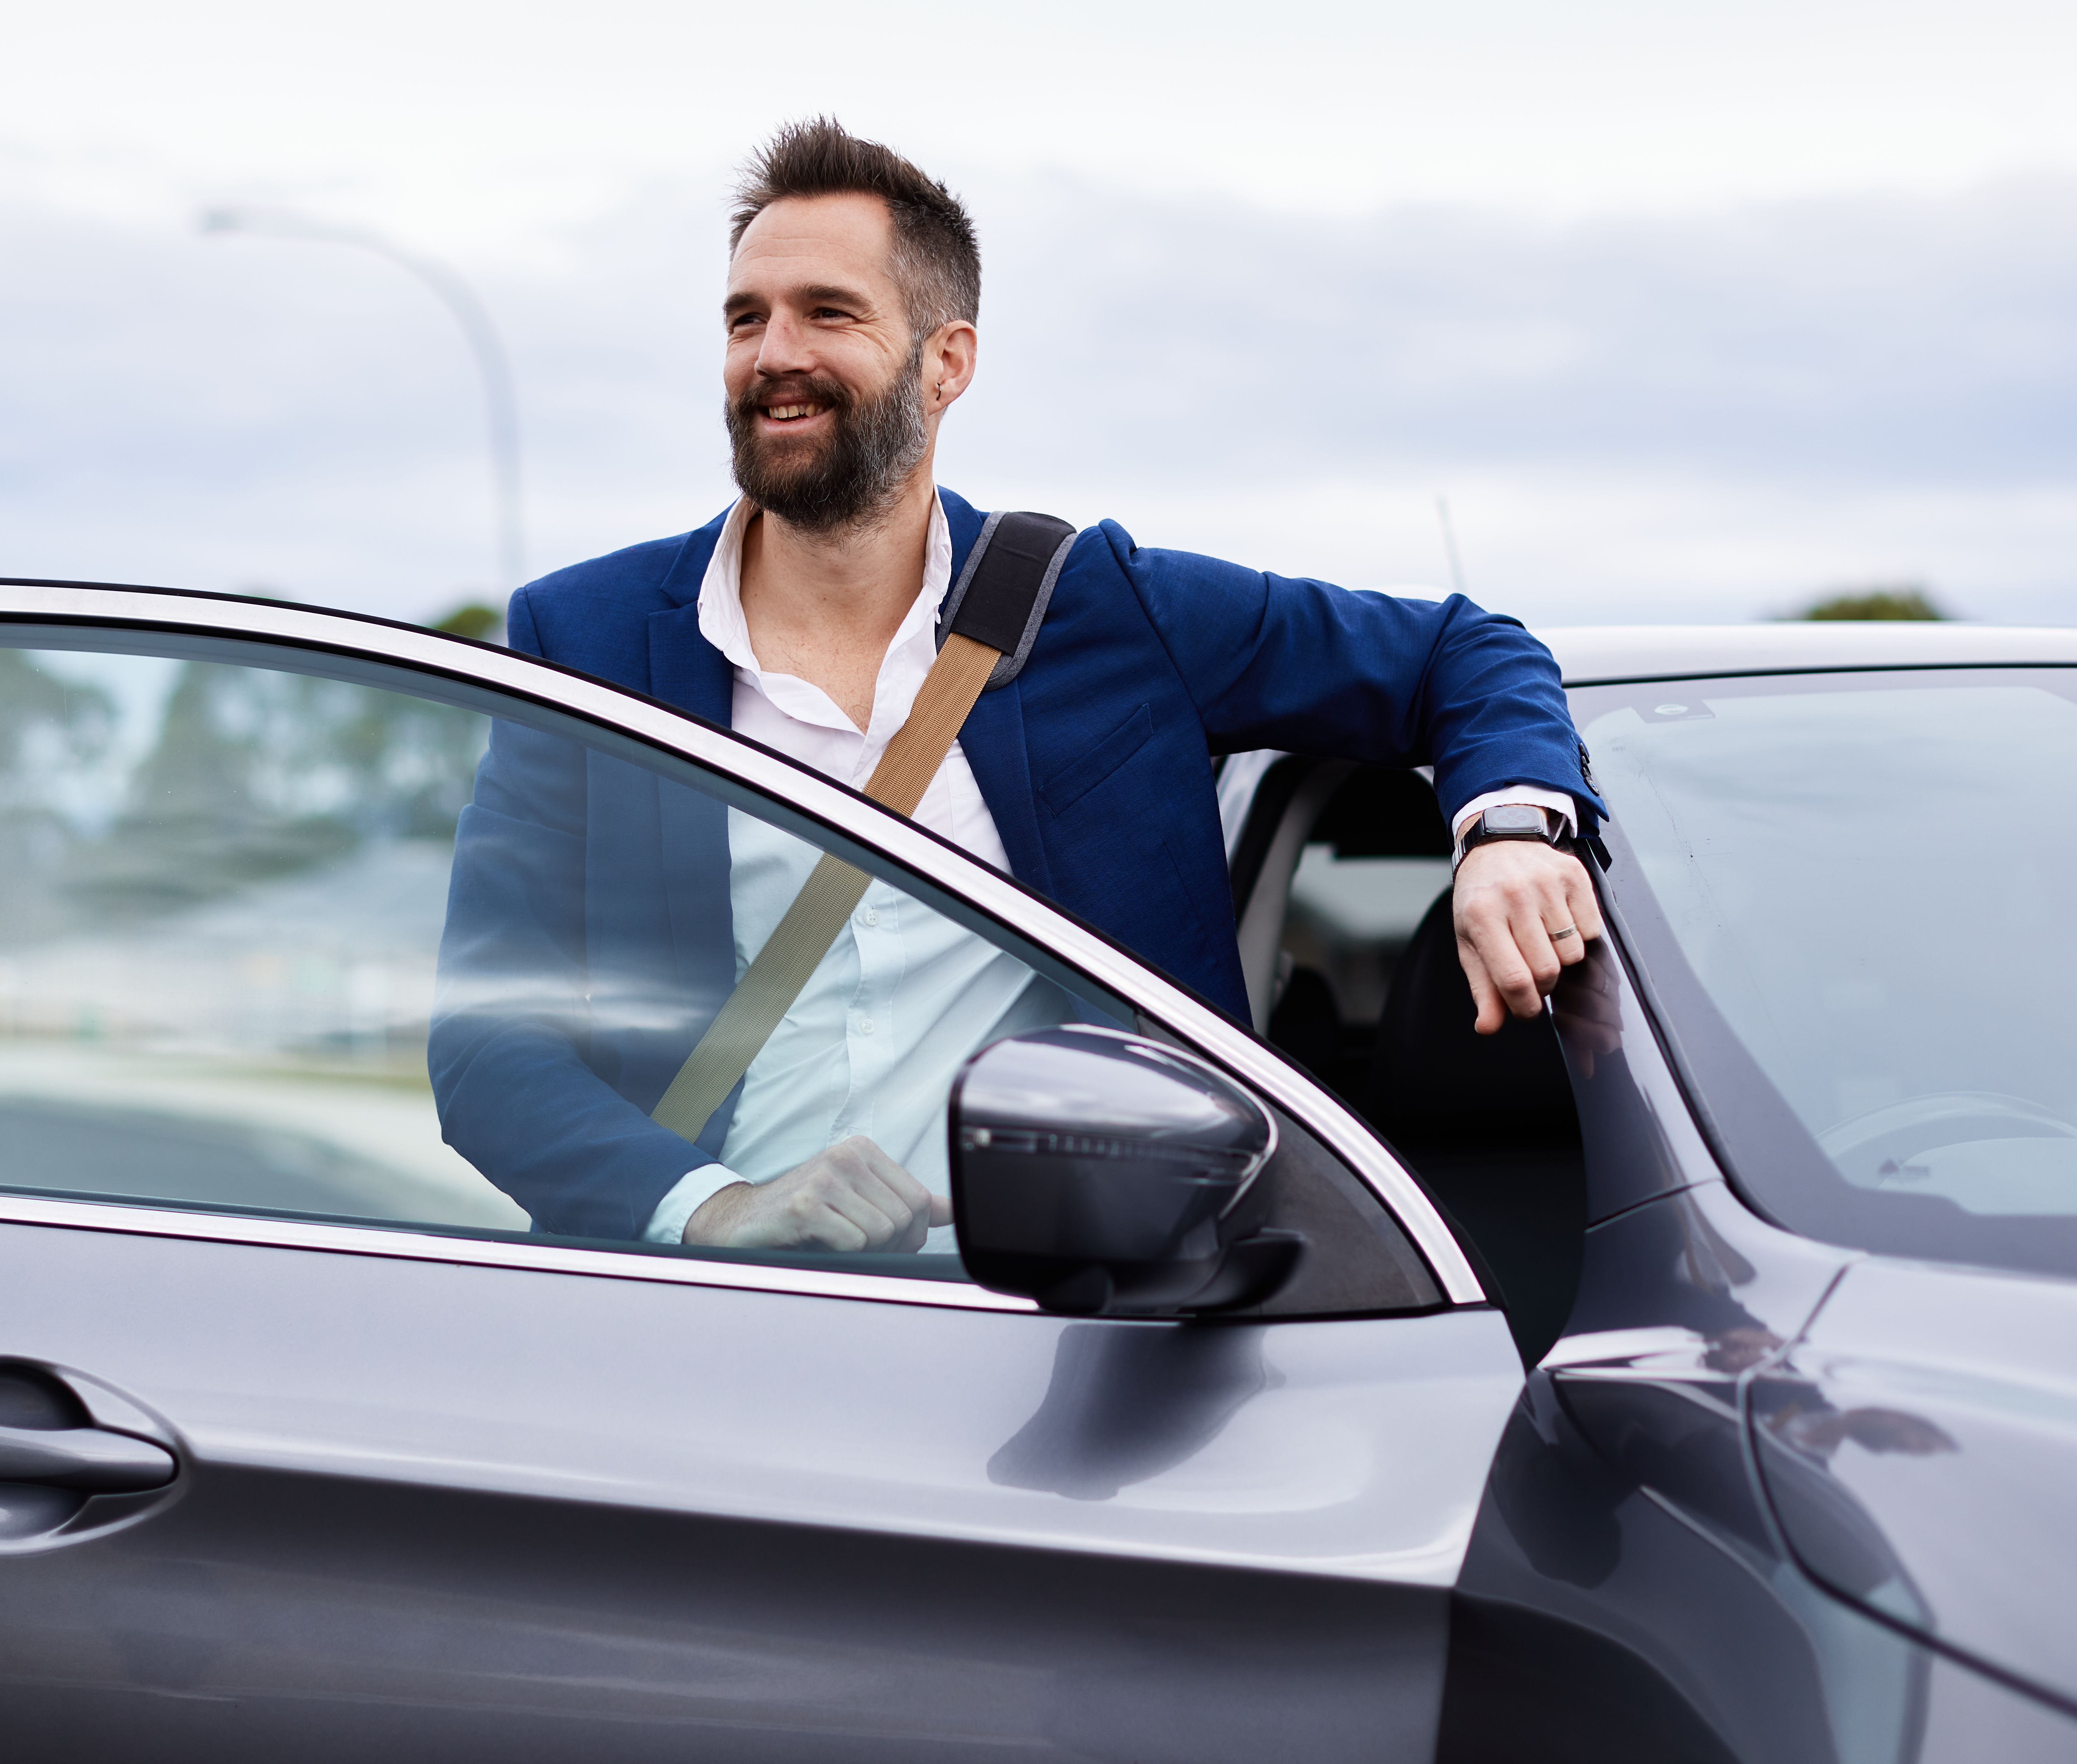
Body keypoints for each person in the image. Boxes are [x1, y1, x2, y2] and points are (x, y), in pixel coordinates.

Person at [430, 118, 1604, 1257]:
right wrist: (715, 1207)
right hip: (716, 1310)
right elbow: (490, 1053)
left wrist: (1509, 829)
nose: (773, 353)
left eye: (827, 312)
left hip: (1083, 1327)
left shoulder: (1108, 607)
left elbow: (1466, 649)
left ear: (948, 363)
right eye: (747, 318)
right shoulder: (580, 639)